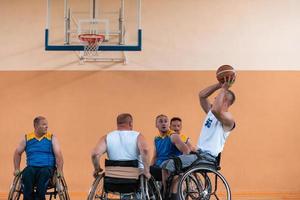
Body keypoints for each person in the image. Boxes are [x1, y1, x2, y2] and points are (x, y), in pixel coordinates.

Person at [162, 76, 236, 199]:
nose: (215, 99)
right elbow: (201, 95)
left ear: (225, 102)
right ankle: (169, 195)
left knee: (168, 165)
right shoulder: (211, 113)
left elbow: (218, 110)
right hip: (198, 154)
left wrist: (224, 89)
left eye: (217, 98)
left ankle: (168, 197)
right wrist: (219, 85)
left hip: (207, 158)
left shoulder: (229, 120)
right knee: (168, 167)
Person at [13, 116, 64, 200]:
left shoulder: (52, 138)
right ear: (36, 126)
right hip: (32, 167)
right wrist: (16, 168)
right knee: (27, 173)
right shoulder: (27, 138)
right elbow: (17, 153)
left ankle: (39, 198)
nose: (46, 126)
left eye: (46, 124)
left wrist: (60, 170)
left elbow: (58, 155)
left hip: (47, 168)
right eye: (44, 124)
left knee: (43, 174)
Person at [91, 113, 151, 179]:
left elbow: (95, 154)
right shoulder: (138, 136)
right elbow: (145, 150)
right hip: (135, 176)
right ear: (130, 123)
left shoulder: (107, 137)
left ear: (117, 124)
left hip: (113, 177)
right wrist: (146, 171)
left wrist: (97, 169)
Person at [150, 114, 190, 200]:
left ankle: (165, 194)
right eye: (161, 121)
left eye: (165, 121)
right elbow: (155, 156)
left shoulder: (173, 136)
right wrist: (149, 168)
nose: (163, 123)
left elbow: (186, 151)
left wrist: (181, 167)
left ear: (168, 125)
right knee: (144, 171)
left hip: (170, 167)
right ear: (156, 125)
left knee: (165, 168)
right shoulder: (156, 139)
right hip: (159, 167)